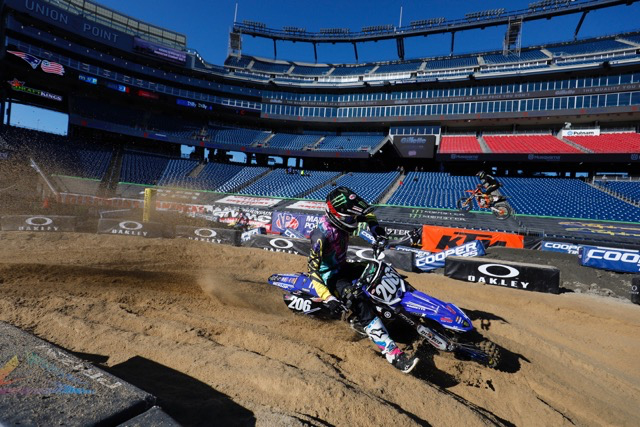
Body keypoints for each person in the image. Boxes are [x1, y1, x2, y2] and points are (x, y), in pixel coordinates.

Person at [307, 186, 419, 373]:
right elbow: (312, 269)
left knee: (381, 269)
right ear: (338, 216)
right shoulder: (321, 236)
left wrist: (378, 232)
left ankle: (410, 307)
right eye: (350, 218)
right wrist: (328, 298)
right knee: (359, 302)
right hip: (331, 278)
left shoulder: (342, 220)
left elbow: (368, 216)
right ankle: (394, 354)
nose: (353, 221)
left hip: (344, 267)